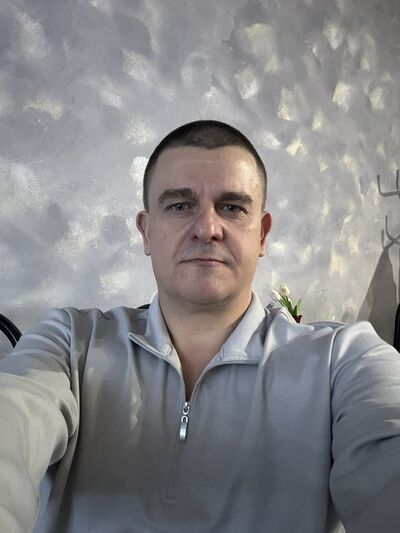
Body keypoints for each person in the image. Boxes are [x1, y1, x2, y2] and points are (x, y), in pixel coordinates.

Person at [0, 120, 399, 533]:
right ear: (146, 232)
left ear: (262, 235)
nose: (208, 228)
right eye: (179, 205)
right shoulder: (70, 344)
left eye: (232, 207)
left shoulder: (343, 361)